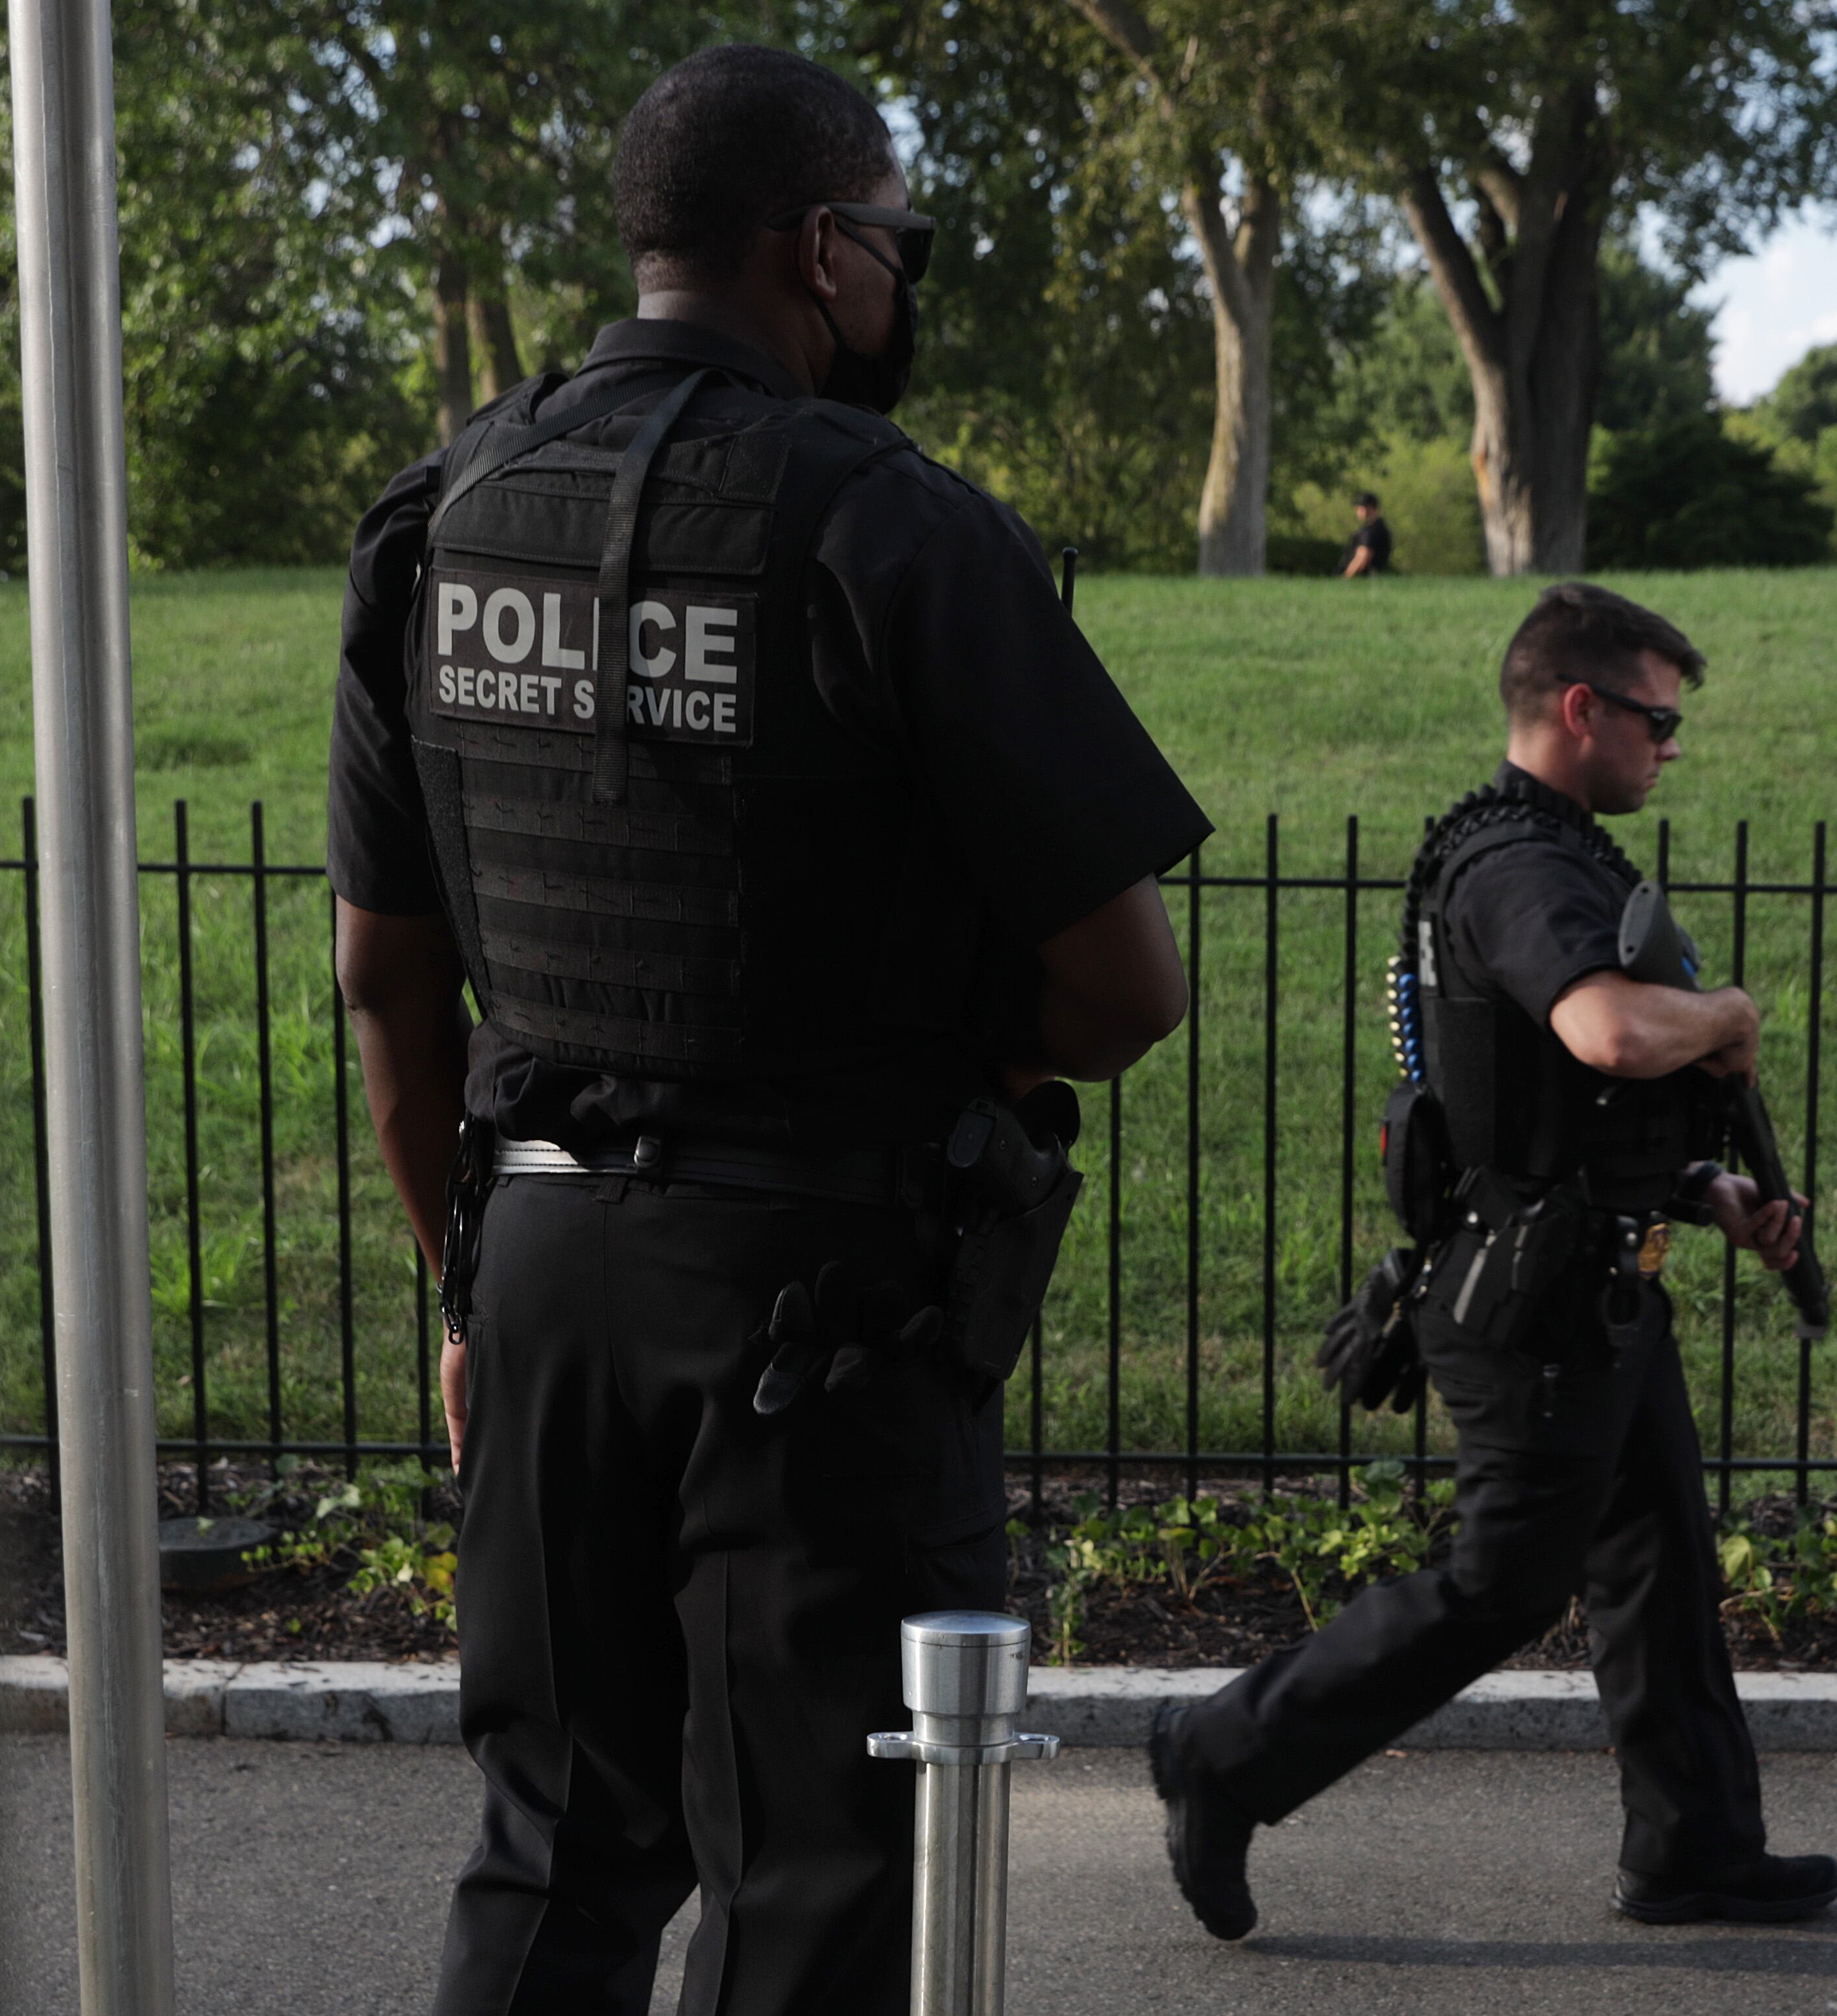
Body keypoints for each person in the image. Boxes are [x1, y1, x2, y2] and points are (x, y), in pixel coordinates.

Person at [327, 43, 1209, 2015]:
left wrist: (467, 1295)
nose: (901, 279)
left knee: (551, 1846)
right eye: (895, 242)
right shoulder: (887, 524)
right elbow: (1125, 990)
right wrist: (965, 1062)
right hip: (818, 1302)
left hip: (539, 1264)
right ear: (818, 248)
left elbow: (385, 979)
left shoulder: (443, 509)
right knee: (814, 1872)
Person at [1147, 581, 1837, 1940]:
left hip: (1591, 1278)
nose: (1671, 744)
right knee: (1500, 1586)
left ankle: (1693, 1848)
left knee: (1658, 1560)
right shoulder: (1522, 866)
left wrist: (1715, 1193)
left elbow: (1559, 1121)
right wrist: (1728, 1015)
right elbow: (1607, 1038)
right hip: (1533, 1307)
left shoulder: (1544, 847)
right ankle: (1220, 1755)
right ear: (1580, 709)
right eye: (1658, 717)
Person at [1341, 490, 1393, 576]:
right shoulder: (1381, 527)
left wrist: (1346, 578)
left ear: (1366, 509)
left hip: (1365, 577)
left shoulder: (1370, 531)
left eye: (1358, 508)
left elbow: (1362, 557)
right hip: (1376, 578)